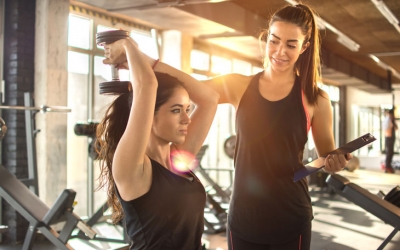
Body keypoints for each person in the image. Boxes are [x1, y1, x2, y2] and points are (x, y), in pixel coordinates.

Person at [139, 3, 351, 249]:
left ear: (304, 47)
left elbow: (326, 156)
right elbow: (188, 86)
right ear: (266, 39)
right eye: (274, 41)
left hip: (292, 217)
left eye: (291, 45)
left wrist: (335, 162)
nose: (280, 51)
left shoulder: (316, 99)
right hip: (244, 218)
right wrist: (144, 62)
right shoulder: (239, 86)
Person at [95, 36, 219, 250]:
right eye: (176, 110)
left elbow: (210, 98)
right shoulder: (132, 168)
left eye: (187, 109)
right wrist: (127, 45)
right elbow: (146, 86)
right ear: (148, 116)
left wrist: (145, 59)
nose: (187, 119)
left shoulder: (178, 160)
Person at [383, 108, 397, 173]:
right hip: (389, 138)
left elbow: (396, 128)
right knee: (389, 153)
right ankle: (387, 167)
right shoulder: (387, 120)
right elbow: (387, 130)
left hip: (390, 138)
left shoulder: (391, 120)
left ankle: (388, 166)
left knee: (390, 153)